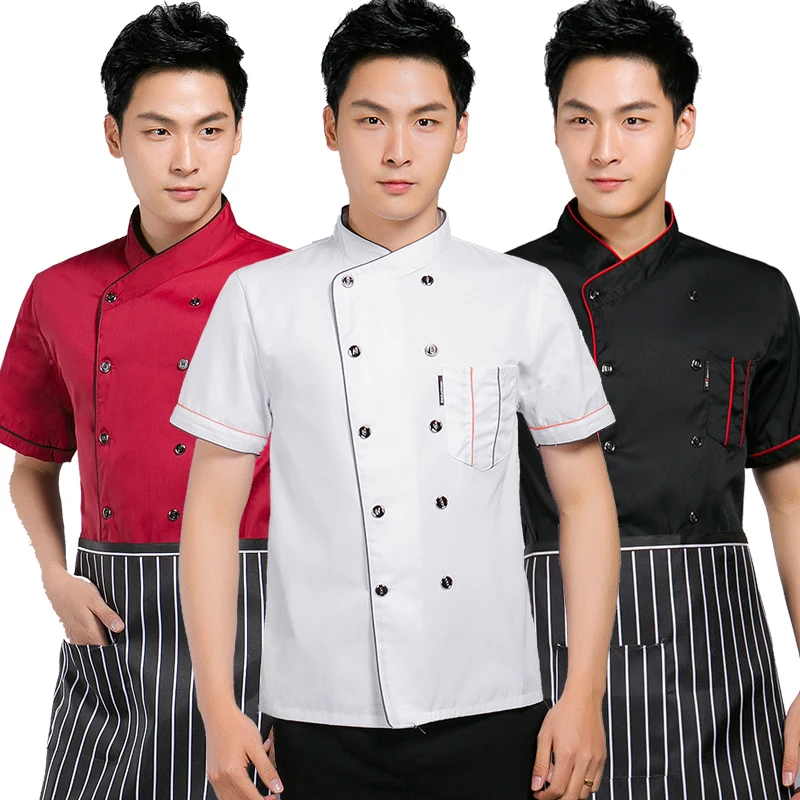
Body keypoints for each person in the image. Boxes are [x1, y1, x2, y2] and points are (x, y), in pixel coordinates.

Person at [170, 1, 620, 799]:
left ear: (462, 130)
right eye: (371, 119)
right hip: (317, 711)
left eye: (427, 121)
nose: (398, 151)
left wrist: (583, 691)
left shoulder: (520, 295)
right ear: (330, 127)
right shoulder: (260, 299)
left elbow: (585, 500)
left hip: (494, 702)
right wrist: (218, 707)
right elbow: (210, 512)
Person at [508, 0, 800, 797]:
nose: (604, 149)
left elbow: (790, 503)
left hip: (716, 663)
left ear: (684, 125)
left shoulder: (753, 292)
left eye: (635, 120)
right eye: (581, 120)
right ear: (555, 127)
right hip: (541, 647)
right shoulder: (499, 291)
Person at [0, 4, 287, 798]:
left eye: (210, 130)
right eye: (158, 131)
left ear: (238, 135)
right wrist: (56, 577)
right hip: (109, 619)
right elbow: (33, 467)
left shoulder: (291, 285)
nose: (186, 160)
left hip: (260, 617)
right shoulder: (59, 292)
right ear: (113, 134)